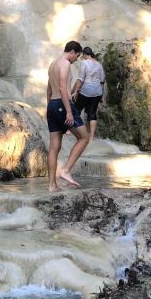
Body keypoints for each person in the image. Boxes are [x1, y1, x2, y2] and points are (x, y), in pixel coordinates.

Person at [46, 40, 89, 191]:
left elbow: (49, 90)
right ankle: (66, 170)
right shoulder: (64, 64)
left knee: (54, 148)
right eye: (77, 56)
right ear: (72, 52)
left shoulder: (53, 65)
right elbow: (63, 87)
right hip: (62, 105)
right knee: (84, 137)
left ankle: (52, 185)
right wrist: (69, 111)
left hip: (52, 105)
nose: (76, 59)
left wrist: (49, 108)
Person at [71, 47, 106, 143]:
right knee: (92, 113)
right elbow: (102, 81)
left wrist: (74, 92)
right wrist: (101, 94)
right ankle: (91, 138)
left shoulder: (84, 63)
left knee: (76, 109)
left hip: (86, 91)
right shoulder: (99, 64)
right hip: (97, 92)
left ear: (85, 54)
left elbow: (80, 79)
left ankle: (71, 132)